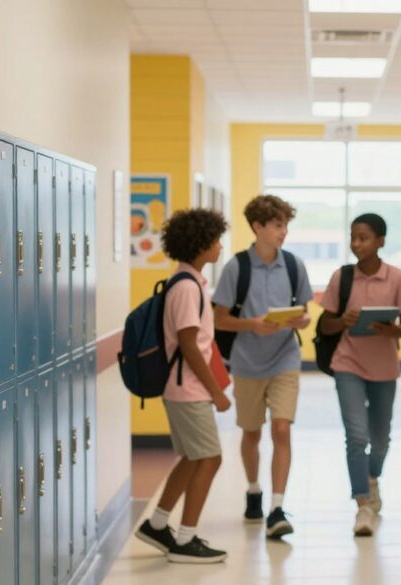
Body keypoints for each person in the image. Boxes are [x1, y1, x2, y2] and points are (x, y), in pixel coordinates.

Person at [211, 194, 313, 538]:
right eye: (277, 225)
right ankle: (254, 489)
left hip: (285, 357)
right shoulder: (236, 268)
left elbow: (305, 313)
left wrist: (300, 321)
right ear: (258, 227)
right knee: (251, 432)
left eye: (286, 225)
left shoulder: (295, 265)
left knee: (281, 429)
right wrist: (252, 324)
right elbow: (219, 319)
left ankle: (277, 507)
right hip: (247, 362)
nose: (284, 232)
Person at [134, 208, 232, 563]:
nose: (220, 246)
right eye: (216, 240)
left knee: (193, 457)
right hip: (189, 389)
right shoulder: (187, 288)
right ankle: (185, 539)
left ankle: (158, 525)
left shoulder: (187, 282)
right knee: (210, 457)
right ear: (201, 244)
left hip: (184, 388)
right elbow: (189, 345)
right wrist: (217, 393)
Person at [318, 213, 401, 536]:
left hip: (385, 368)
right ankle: (362, 504)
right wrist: (344, 321)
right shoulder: (341, 278)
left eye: (363, 237)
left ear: (381, 241)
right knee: (356, 437)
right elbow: (325, 325)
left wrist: (389, 330)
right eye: (353, 237)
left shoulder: (397, 278)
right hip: (347, 363)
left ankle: (371, 478)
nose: (356, 243)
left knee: (381, 441)